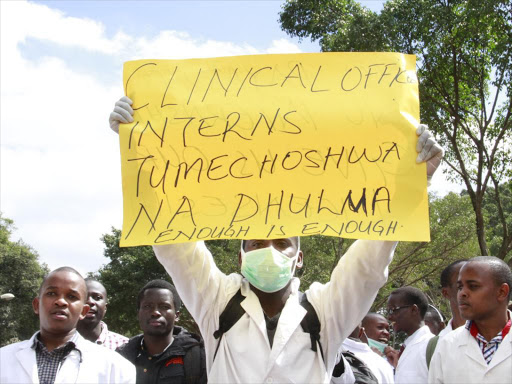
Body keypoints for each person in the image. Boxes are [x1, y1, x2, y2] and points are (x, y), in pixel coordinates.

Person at [109, 96, 443, 383]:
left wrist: (415, 180)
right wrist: (139, 148)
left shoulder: (325, 308)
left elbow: (369, 264)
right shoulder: (216, 300)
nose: (268, 250)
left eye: (282, 243)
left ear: (298, 258)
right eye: (255, 244)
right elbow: (174, 244)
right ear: (240, 259)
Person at [0, 267, 136, 383]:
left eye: (72, 297)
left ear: (83, 311)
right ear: (36, 305)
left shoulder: (117, 368)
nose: (60, 302)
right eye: (52, 293)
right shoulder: (3, 359)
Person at [428, 256, 512, 383]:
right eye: (460, 287)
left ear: (502, 292)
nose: (462, 293)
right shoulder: (447, 346)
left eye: (473, 286)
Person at [117, 279, 207, 384]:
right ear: (138, 313)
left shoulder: (198, 356)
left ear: (176, 315)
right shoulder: (121, 356)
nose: (155, 312)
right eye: (147, 306)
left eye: (164, 307)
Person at [384, 286, 434, 384]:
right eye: (388, 311)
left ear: (414, 310)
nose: (389, 317)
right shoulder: (405, 349)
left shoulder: (432, 347)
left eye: (393, 310)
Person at [77, 278, 128, 350]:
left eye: (97, 298)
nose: (90, 301)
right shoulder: (57, 343)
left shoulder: (125, 346)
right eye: (84, 297)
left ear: (105, 308)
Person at [437, 259, 467, 338]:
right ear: (445, 293)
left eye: (474, 285)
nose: (468, 291)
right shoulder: (438, 343)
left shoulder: (496, 335)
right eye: (460, 286)